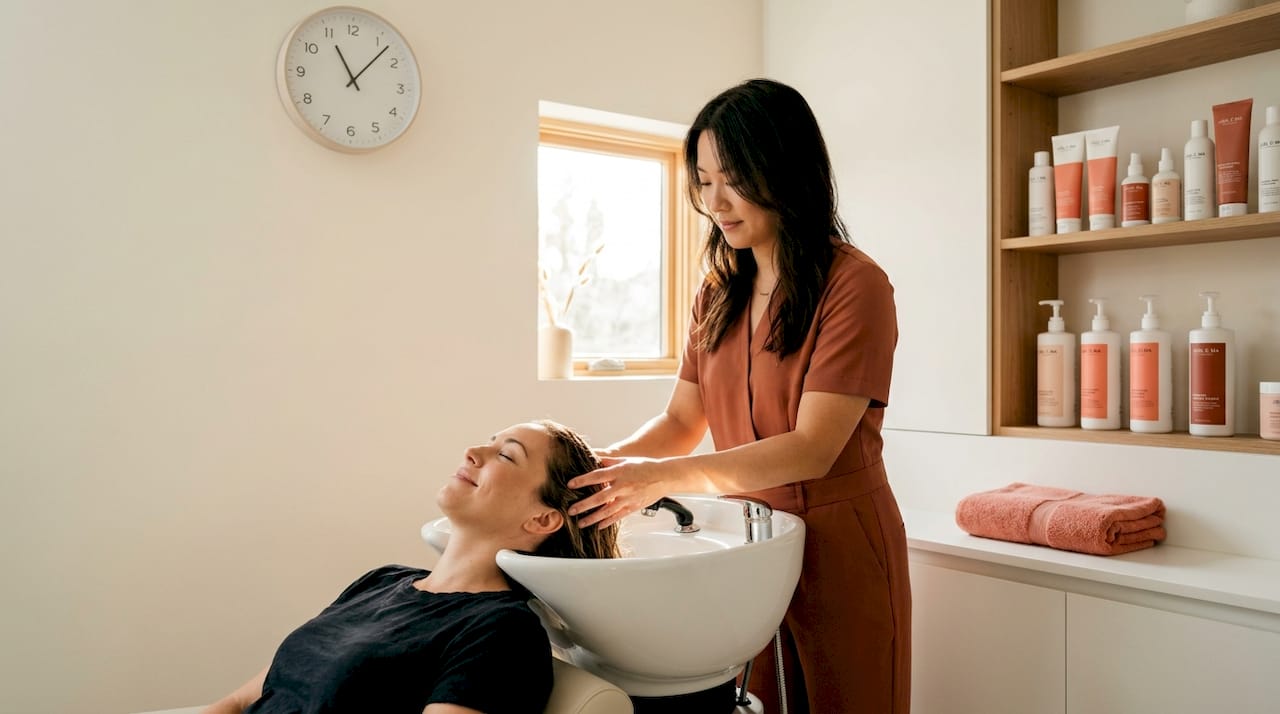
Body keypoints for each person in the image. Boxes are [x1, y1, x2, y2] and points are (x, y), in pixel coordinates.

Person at [567, 78, 908, 714]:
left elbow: (812, 449)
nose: (715, 201)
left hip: (842, 547)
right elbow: (679, 421)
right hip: (750, 547)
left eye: (735, 178)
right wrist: (595, 470)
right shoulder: (717, 292)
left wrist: (658, 479)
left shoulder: (855, 286)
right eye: (703, 181)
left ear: (786, 169)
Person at [205, 420, 620, 714]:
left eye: (506, 456)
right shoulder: (382, 581)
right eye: (490, 441)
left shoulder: (501, 632)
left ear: (543, 519)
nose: (473, 452)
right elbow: (242, 701)